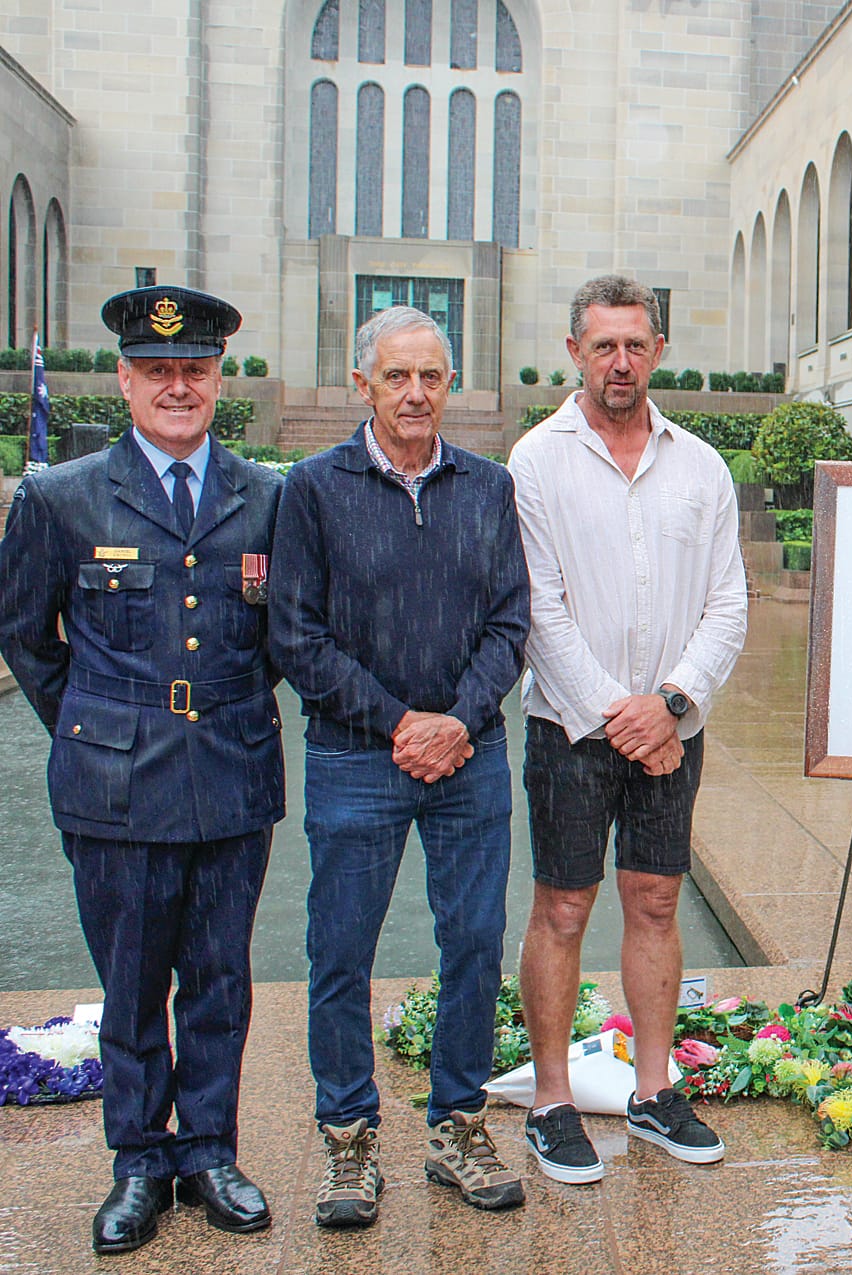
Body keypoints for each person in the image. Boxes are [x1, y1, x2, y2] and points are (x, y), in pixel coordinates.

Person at [0, 286, 281, 1253]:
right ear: (124, 377)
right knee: (130, 984)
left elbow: (286, 634)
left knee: (219, 979)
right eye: (156, 370)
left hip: (233, 778)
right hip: (115, 791)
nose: (177, 387)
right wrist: (94, 725)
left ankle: (208, 1149)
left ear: (218, 380)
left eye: (194, 370)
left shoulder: (267, 496)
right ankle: (138, 1159)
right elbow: (26, 635)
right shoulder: (60, 497)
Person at [268, 305, 530, 1227]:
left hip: (472, 758)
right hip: (353, 758)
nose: (414, 393)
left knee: (472, 946)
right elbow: (293, 631)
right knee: (339, 950)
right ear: (363, 384)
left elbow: (510, 624)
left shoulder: (488, 487)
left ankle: (457, 1125)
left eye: (430, 376)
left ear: (449, 384)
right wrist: (398, 724)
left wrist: (456, 721)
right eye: (396, 376)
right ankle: (347, 1141)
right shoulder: (310, 488)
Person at [508, 276, 747, 1184]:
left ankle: (653, 1091)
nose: (620, 361)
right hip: (569, 729)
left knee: (653, 900)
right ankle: (553, 1102)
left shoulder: (701, 466)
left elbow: (729, 600)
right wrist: (626, 715)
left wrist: (673, 704)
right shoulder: (536, 461)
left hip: (672, 728)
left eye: (636, 344)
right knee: (563, 907)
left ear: (658, 350)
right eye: (603, 345)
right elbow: (538, 606)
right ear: (575, 350)